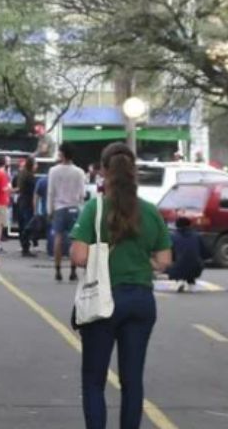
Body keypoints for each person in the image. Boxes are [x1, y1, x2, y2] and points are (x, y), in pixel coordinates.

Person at [70, 142, 172, 429]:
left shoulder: (95, 208)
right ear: (134, 172)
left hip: (104, 301)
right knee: (132, 380)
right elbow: (164, 259)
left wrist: (100, 254)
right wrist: (142, 261)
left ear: (103, 171)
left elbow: (78, 255)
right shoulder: (150, 212)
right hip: (141, 300)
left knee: (94, 380)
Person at [48, 143, 86, 282]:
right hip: (74, 208)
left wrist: (49, 210)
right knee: (74, 240)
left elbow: (51, 192)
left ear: (62, 154)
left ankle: (57, 270)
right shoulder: (79, 172)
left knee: (58, 238)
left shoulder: (53, 171)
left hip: (59, 208)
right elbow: (82, 193)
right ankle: (73, 271)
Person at [166, 217, 209, 290]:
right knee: (192, 261)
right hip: (196, 268)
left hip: (178, 268)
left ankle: (179, 280)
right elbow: (205, 253)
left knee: (176, 263)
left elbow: (169, 254)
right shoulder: (197, 236)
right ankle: (191, 281)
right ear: (190, 225)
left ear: (177, 226)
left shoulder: (172, 236)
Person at [13, 157, 39, 257]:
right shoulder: (30, 177)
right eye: (35, 164)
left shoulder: (21, 174)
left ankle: (24, 246)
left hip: (21, 201)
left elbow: (18, 187)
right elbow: (33, 192)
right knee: (28, 225)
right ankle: (26, 248)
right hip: (28, 202)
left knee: (22, 225)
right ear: (31, 165)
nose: (37, 166)